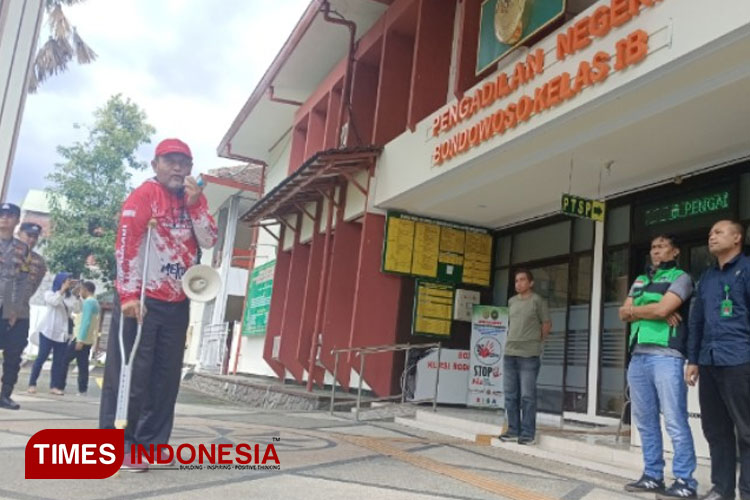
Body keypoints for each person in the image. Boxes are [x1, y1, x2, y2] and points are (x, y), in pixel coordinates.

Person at [99, 138, 217, 472]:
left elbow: (209, 239)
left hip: (178, 299)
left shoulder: (195, 198)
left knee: (165, 378)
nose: (178, 168)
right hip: (143, 300)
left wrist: (196, 204)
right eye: (171, 161)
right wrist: (128, 296)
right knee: (131, 374)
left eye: (184, 162)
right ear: (156, 165)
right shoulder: (143, 196)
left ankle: (149, 446)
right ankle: (116, 444)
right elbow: (125, 248)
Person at [619, 234, 697, 499]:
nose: (656, 251)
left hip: (667, 355)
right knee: (645, 421)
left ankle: (685, 481)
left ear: (674, 252)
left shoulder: (681, 277)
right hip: (638, 356)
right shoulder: (640, 280)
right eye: (653, 247)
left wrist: (640, 309)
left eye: (662, 247)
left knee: (675, 419)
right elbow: (622, 312)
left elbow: (661, 309)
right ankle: (652, 476)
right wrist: (656, 308)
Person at [687, 220, 750, 500]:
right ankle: (722, 490)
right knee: (715, 429)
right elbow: (696, 321)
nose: (711, 236)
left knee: (746, 431)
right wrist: (693, 359)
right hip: (709, 360)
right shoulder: (708, 278)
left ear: (737, 238)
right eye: (710, 232)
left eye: (719, 232)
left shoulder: (747, 270)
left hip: (740, 359)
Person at [499, 269, 551, 445]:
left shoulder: (538, 301)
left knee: (527, 396)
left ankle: (528, 433)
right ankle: (513, 429)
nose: (518, 284)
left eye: (522, 280)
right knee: (510, 394)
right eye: (516, 281)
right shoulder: (512, 302)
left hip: (529, 355)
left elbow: (546, 324)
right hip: (510, 353)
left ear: (531, 283)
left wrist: (538, 343)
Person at [0, 203, 31, 410]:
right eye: (2, 214)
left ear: (17, 220)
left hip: (7, 307)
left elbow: (23, 279)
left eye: (10, 215)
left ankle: (5, 395)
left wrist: (14, 309)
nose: (5, 218)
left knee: (12, 354)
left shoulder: (22, 248)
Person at [28, 272, 77, 395]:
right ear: (60, 281)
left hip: (62, 334)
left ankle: (54, 386)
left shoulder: (70, 297)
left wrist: (77, 295)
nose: (68, 283)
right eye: (66, 280)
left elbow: (77, 309)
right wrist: (62, 290)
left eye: (70, 281)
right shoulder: (49, 294)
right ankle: (32, 383)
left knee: (58, 361)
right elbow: (54, 302)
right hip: (48, 332)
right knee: (41, 358)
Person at [61, 281, 99, 396]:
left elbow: (86, 322)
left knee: (64, 361)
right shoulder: (95, 302)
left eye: (81, 290)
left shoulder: (89, 302)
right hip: (88, 339)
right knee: (83, 365)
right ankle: (82, 390)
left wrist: (80, 340)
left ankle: (60, 385)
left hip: (80, 338)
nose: (80, 292)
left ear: (86, 290)